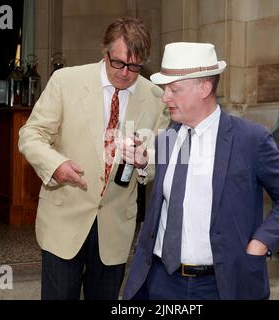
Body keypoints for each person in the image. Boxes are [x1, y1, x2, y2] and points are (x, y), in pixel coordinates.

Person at [123, 42, 279, 300]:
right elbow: (172, 193)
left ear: (205, 88)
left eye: (174, 89)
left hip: (222, 285)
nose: (165, 97)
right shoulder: (167, 138)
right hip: (161, 282)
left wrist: (260, 243)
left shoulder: (249, 139)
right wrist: (143, 162)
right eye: (165, 89)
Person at [18, 17, 170, 300]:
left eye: (135, 66)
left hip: (115, 227)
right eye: (119, 63)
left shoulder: (156, 97)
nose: (126, 73)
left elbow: (159, 158)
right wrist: (56, 165)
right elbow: (31, 134)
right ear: (105, 51)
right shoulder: (66, 81)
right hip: (63, 219)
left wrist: (143, 161)